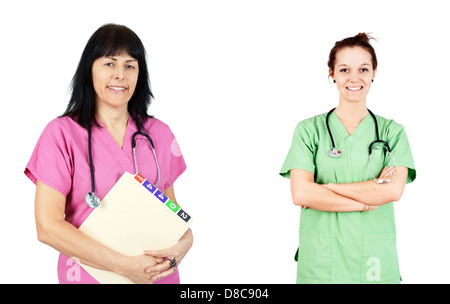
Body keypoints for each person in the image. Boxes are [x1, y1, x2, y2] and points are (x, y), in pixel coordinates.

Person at [24, 23, 193, 284]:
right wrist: (124, 266)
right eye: (109, 64)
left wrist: (183, 245)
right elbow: (47, 227)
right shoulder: (61, 134)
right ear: (89, 70)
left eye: (130, 65)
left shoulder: (159, 134)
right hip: (89, 277)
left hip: (155, 278)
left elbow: (173, 214)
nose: (120, 75)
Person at [279, 33, 416, 284]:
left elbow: (393, 191)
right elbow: (301, 194)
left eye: (363, 69)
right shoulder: (309, 130)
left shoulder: (392, 133)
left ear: (374, 72)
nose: (355, 78)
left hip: (374, 261)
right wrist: (364, 200)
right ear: (332, 73)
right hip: (321, 263)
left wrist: (327, 189)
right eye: (344, 69)